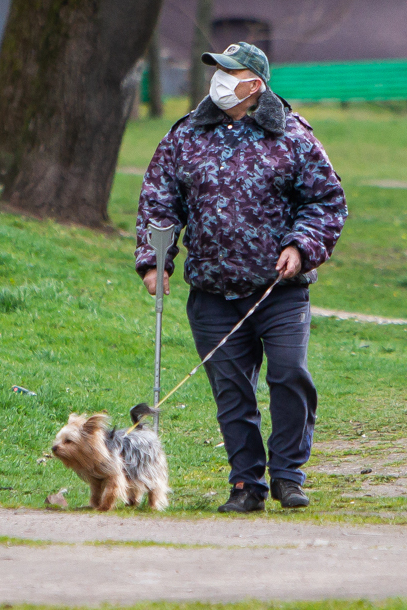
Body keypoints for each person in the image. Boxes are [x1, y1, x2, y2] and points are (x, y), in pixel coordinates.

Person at [135, 42, 347, 513]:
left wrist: (300, 246)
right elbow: (158, 200)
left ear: (255, 82)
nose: (219, 79)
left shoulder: (293, 134)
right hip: (211, 291)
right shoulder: (186, 134)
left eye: (230, 72)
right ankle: (245, 484)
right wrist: (154, 261)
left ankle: (288, 477)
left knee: (290, 376)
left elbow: (327, 202)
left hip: (279, 290)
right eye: (216, 70)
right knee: (232, 394)